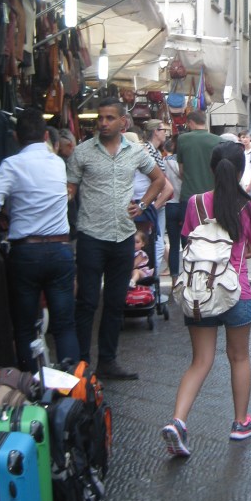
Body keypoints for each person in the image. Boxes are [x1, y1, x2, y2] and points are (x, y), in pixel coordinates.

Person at [162, 141, 251, 458]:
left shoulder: (195, 204)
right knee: (239, 357)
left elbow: (190, 240)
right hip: (236, 291)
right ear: (241, 170)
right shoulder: (249, 207)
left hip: (201, 291)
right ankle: (240, 422)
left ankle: (178, 422)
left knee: (200, 361)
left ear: (211, 169)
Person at [67, 97, 167, 380]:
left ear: (123, 122)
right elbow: (70, 188)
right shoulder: (83, 152)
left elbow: (159, 179)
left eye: (109, 118)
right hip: (91, 235)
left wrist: (144, 203)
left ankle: (108, 361)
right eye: (100, 118)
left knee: (113, 301)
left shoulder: (135, 152)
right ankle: (82, 362)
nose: (103, 123)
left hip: (122, 236)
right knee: (87, 301)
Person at [0, 107, 79, 371]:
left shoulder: (12, 164)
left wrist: (6, 212)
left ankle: (31, 384)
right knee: (64, 325)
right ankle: (71, 388)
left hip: (26, 253)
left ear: (17, 138)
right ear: (45, 136)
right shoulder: (57, 163)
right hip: (60, 250)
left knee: (25, 326)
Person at [134, 119, 174, 272]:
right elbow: (165, 185)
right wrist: (151, 207)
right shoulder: (148, 151)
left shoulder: (155, 151)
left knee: (155, 242)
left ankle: (151, 280)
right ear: (156, 131)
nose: (166, 133)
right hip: (150, 204)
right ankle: (151, 281)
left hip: (152, 204)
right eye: (163, 129)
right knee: (153, 243)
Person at [177, 109, 221, 215]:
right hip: (212, 195)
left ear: (191, 122)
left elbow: (181, 171)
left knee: (190, 230)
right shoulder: (218, 140)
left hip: (189, 195)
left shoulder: (182, 139)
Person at [162, 135, 184, 278]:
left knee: (174, 244)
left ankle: (174, 279)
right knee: (188, 244)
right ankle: (189, 278)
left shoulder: (164, 162)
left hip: (169, 204)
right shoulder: (186, 162)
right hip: (184, 204)